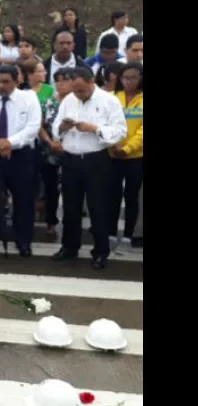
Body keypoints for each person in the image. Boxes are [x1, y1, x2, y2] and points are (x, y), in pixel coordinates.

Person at [51, 66, 127, 269]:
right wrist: (63, 127)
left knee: (98, 207)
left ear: (92, 82)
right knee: (70, 206)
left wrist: (95, 129)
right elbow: (55, 126)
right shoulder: (68, 100)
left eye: (82, 90)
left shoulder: (109, 101)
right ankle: (69, 247)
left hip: (96, 160)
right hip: (71, 159)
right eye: (75, 90)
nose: (78, 94)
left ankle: (101, 251)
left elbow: (120, 131)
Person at [0, 65, 42, 256]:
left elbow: (33, 127)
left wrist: (10, 143)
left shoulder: (29, 99)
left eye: (6, 82)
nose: (1, 86)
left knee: (23, 198)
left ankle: (23, 240)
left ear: (16, 81)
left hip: (20, 154)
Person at [108, 62, 143, 253]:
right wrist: (113, 144)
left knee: (131, 197)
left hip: (135, 157)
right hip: (112, 155)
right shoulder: (112, 98)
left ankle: (128, 237)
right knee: (112, 196)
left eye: (133, 77)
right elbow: (105, 122)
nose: (129, 81)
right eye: (125, 78)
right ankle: (111, 234)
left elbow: (141, 132)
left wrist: (127, 149)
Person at [37, 68, 73, 237]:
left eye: (65, 80)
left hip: (72, 150)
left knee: (71, 188)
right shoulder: (49, 102)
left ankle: (70, 222)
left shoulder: (77, 102)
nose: (61, 84)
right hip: (50, 149)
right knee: (50, 188)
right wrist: (50, 142)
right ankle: (51, 221)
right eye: (57, 80)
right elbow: (40, 126)